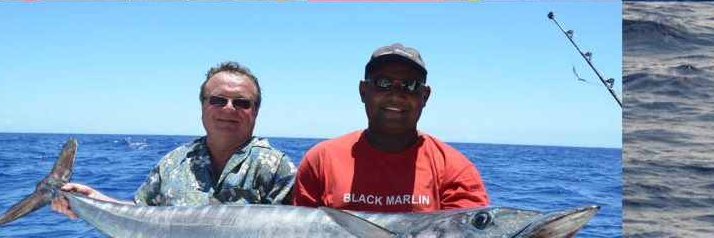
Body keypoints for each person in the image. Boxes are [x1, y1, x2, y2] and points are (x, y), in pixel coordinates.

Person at [50, 62, 295, 217]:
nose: (229, 109)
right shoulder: (173, 162)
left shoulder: (276, 167)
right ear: (203, 105)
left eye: (241, 102)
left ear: (255, 111)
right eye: (218, 100)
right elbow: (142, 214)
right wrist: (93, 199)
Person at [291, 43, 489, 211]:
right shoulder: (320, 161)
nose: (396, 95)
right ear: (363, 90)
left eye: (410, 85)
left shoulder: (455, 170)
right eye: (383, 83)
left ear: (425, 96)